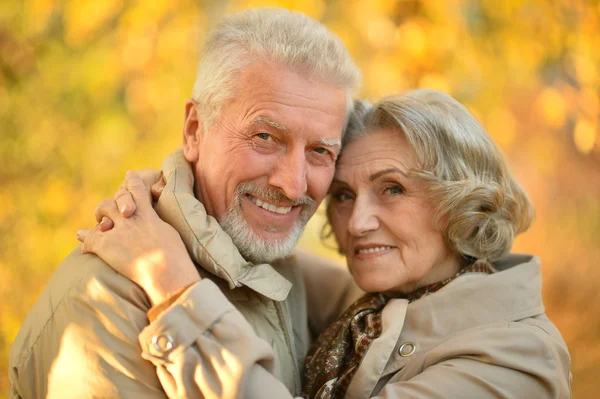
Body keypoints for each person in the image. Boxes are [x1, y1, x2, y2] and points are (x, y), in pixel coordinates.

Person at [82, 90, 571, 398]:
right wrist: (162, 194)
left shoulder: (516, 359)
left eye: (393, 189)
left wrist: (167, 281)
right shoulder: (379, 305)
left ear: (462, 202)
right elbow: (229, 230)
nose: (357, 222)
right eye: (341, 195)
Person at [9, 7, 363, 398]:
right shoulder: (104, 302)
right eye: (264, 137)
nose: (294, 186)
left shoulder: (277, 270)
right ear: (195, 130)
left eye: (319, 151)